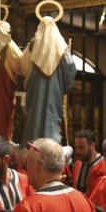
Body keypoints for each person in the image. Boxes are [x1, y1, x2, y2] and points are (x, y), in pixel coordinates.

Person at [19, 9, 76, 143]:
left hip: (35, 91)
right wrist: (64, 86)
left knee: (34, 118)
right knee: (51, 117)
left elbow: (22, 65)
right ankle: (51, 146)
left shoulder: (33, 46)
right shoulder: (62, 48)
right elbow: (71, 69)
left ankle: (33, 144)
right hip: (54, 92)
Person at [70, 129, 104, 195]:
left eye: (81, 147)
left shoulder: (104, 165)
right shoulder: (78, 163)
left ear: (92, 146)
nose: (77, 151)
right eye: (76, 147)